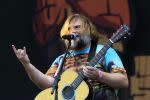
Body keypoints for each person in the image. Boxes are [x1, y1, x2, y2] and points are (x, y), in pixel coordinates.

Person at [12, 14, 128, 100]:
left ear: (88, 30)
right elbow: (47, 84)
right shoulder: (62, 59)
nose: (72, 31)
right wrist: (27, 64)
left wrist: (99, 75)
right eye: (69, 29)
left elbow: (123, 81)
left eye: (77, 27)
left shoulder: (105, 51)